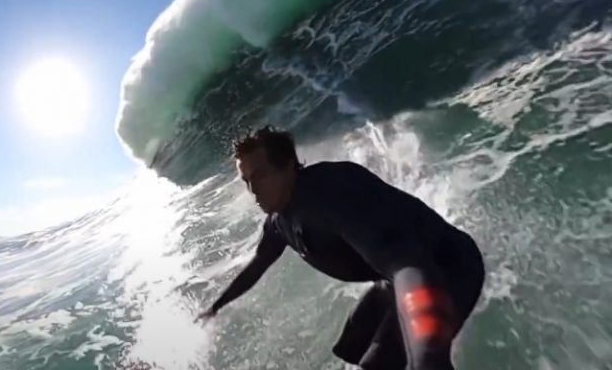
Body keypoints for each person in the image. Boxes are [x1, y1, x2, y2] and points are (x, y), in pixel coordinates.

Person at [195, 125, 485, 370]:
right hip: (395, 281)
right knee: (354, 348)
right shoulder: (279, 219)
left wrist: (429, 356)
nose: (253, 191)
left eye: (259, 176)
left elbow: (408, 265)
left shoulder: (330, 197)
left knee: (400, 363)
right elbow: (259, 262)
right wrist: (217, 306)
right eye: (246, 181)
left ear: (287, 166)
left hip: (446, 266)